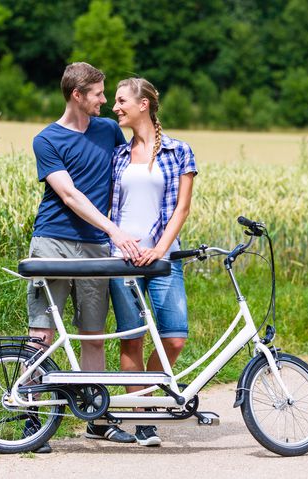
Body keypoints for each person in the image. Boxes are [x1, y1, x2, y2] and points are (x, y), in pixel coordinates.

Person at [24, 62, 142, 452]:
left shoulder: (108, 131)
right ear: (77, 95)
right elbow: (70, 195)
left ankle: (97, 418)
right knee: (42, 333)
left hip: (94, 248)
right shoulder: (47, 140)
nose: (106, 102)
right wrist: (115, 230)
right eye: (98, 94)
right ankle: (31, 418)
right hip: (53, 243)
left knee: (94, 334)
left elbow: (141, 148)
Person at [108, 77, 198, 446]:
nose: (115, 107)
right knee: (132, 340)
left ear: (143, 104)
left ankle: (152, 397)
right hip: (122, 260)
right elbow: (110, 210)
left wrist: (160, 248)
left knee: (174, 338)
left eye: (121, 100)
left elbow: (182, 208)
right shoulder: (118, 155)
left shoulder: (179, 152)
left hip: (164, 258)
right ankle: (143, 417)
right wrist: (119, 241)